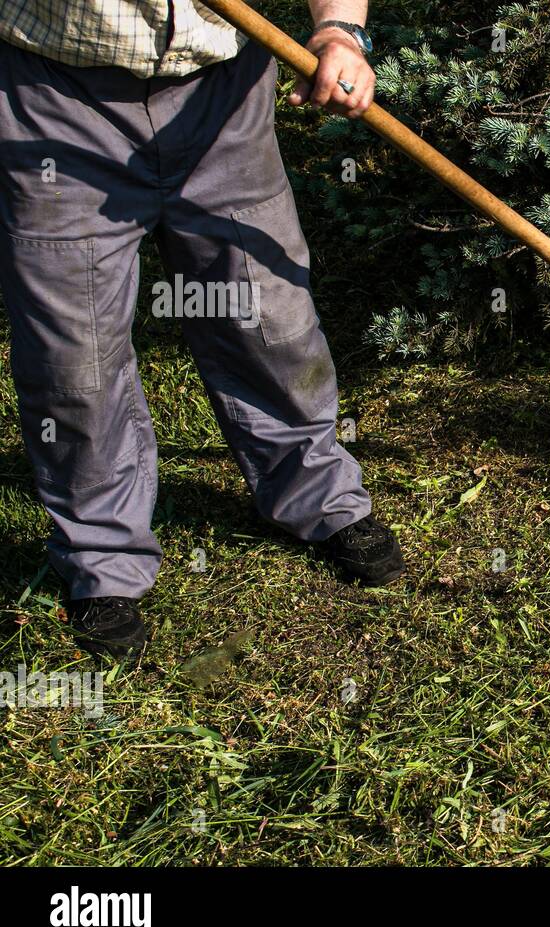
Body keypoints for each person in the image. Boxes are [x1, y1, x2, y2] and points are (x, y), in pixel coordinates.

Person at [0, 1, 402, 663]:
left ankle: (315, 493)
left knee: (267, 316)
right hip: (52, 98)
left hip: (222, 91)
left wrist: (339, 31)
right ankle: (102, 556)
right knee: (74, 355)